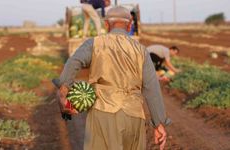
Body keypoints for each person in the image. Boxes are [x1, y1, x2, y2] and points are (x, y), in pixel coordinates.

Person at [57, 6, 170, 150]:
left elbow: (73, 62)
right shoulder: (141, 50)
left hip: (102, 113)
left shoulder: (95, 43)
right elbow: (151, 87)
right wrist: (159, 123)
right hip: (134, 116)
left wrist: (64, 92)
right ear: (130, 25)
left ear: (106, 24)